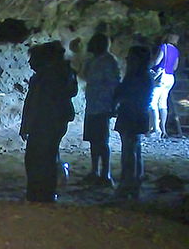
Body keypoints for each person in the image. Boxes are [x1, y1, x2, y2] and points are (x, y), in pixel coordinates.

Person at [20, 41, 77, 203]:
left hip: (46, 121)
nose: (30, 63)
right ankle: (42, 192)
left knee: (40, 157)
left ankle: (40, 193)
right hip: (51, 120)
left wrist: (28, 124)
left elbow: (37, 103)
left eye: (33, 59)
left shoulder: (50, 77)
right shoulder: (58, 74)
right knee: (45, 156)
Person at [114, 46, 155, 199]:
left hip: (131, 115)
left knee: (129, 151)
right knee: (134, 150)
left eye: (130, 58)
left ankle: (127, 184)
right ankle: (134, 182)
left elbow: (123, 93)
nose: (128, 61)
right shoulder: (144, 76)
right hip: (138, 115)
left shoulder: (136, 77)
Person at [80, 34, 120, 187]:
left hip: (102, 106)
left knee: (102, 141)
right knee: (93, 140)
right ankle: (95, 171)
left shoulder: (109, 61)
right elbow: (85, 77)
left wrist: (113, 105)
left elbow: (114, 84)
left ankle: (106, 174)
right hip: (92, 105)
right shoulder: (94, 60)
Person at [149, 34, 180, 138]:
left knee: (152, 102)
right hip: (170, 78)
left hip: (161, 76)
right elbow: (175, 67)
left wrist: (150, 66)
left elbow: (157, 61)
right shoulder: (176, 51)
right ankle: (164, 129)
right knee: (163, 103)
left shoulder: (164, 47)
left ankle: (155, 129)